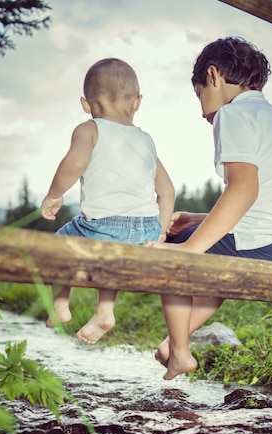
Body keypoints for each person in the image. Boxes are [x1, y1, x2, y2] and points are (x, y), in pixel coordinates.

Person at [146, 36, 272, 380]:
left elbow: (244, 189)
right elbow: (262, 198)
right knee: (209, 246)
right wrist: (198, 221)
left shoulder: (233, 113)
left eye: (199, 94)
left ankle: (180, 353)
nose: (202, 111)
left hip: (270, 242)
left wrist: (190, 248)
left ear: (213, 76)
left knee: (173, 253)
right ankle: (172, 344)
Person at [41, 58, 174, 344]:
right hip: (146, 229)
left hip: (105, 225)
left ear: (86, 104)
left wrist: (54, 194)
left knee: (58, 245)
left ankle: (61, 305)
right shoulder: (146, 140)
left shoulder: (89, 129)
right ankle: (104, 312)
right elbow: (168, 191)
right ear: (137, 102)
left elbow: (75, 162)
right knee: (114, 248)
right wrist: (160, 229)